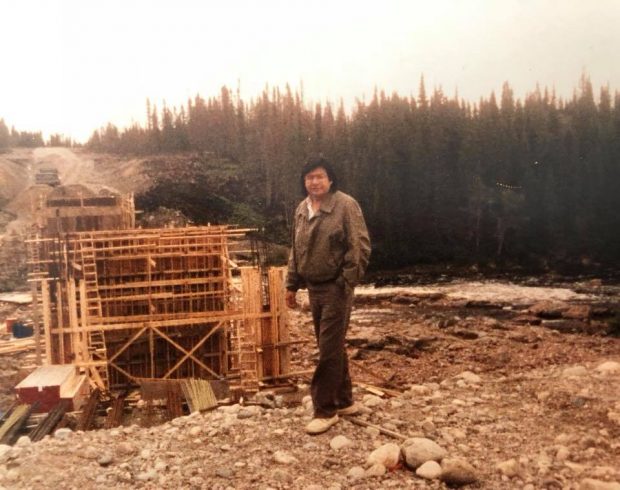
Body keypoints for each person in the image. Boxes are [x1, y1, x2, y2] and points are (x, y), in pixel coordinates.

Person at [285, 157, 371, 435]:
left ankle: (325, 410)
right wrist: (291, 285)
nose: (314, 182)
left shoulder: (346, 205)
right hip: (313, 287)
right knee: (331, 346)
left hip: (336, 288)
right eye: (309, 177)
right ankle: (344, 401)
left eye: (319, 176)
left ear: (330, 179)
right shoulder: (302, 209)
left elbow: (359, 245)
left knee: (328, 349)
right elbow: (296, 250)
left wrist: (346, 281)